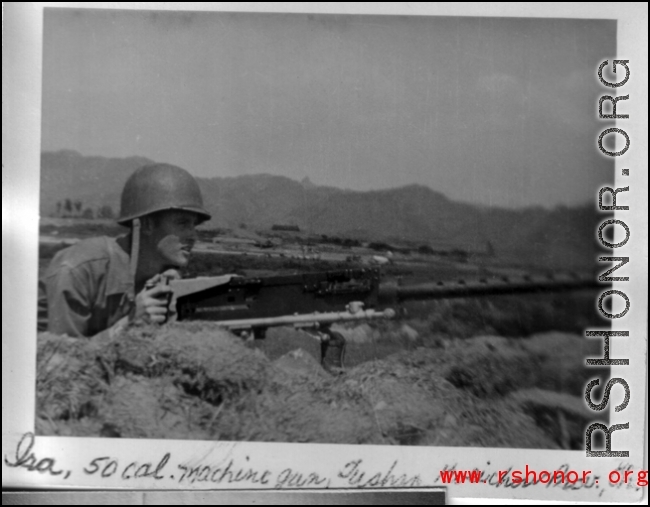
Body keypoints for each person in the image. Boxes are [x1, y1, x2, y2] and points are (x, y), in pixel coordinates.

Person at [37, 163, 211, 338]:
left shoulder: (165, 278)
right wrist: (130, 324)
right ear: (148, 224)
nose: (193, 236)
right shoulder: (77, 270)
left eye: (194, 225)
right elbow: (61, 360)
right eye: (183, 223)